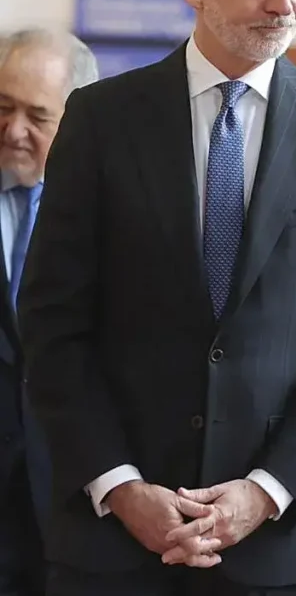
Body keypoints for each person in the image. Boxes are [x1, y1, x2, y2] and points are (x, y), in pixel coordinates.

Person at [18, 0, 296, 595]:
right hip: (113, 540)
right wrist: (121, 485)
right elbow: (53, 323)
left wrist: (266, 488)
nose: (283, 2)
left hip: (275, 542)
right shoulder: (100, 121)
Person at [0, 29, 98, 596]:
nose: (14, 131)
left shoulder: (112, 212)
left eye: (37, 116)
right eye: (3, 108)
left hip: (74, 495)